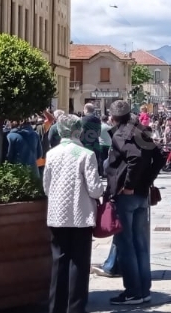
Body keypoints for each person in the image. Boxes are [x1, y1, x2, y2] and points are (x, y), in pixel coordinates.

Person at [103, 100, 164, 306]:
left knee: (125, 245)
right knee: (140, 244)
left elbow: (135, 159)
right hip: (141, 195)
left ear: (112, 117)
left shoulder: (122, 134)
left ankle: (133, 292)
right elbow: (160, 157)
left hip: (127, 196)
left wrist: (129, 185)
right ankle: (143, 290)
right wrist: (146, 182)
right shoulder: (141, 131)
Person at [43, 114, 105, 313]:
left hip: (57, 214)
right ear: (79, 130)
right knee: (79, 262)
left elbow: (46, 186)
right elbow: (95, 189)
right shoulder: (86, 154)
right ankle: (75, 307)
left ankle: (56, 307)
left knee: (58, 261)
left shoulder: (52, 153)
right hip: (81, 215)